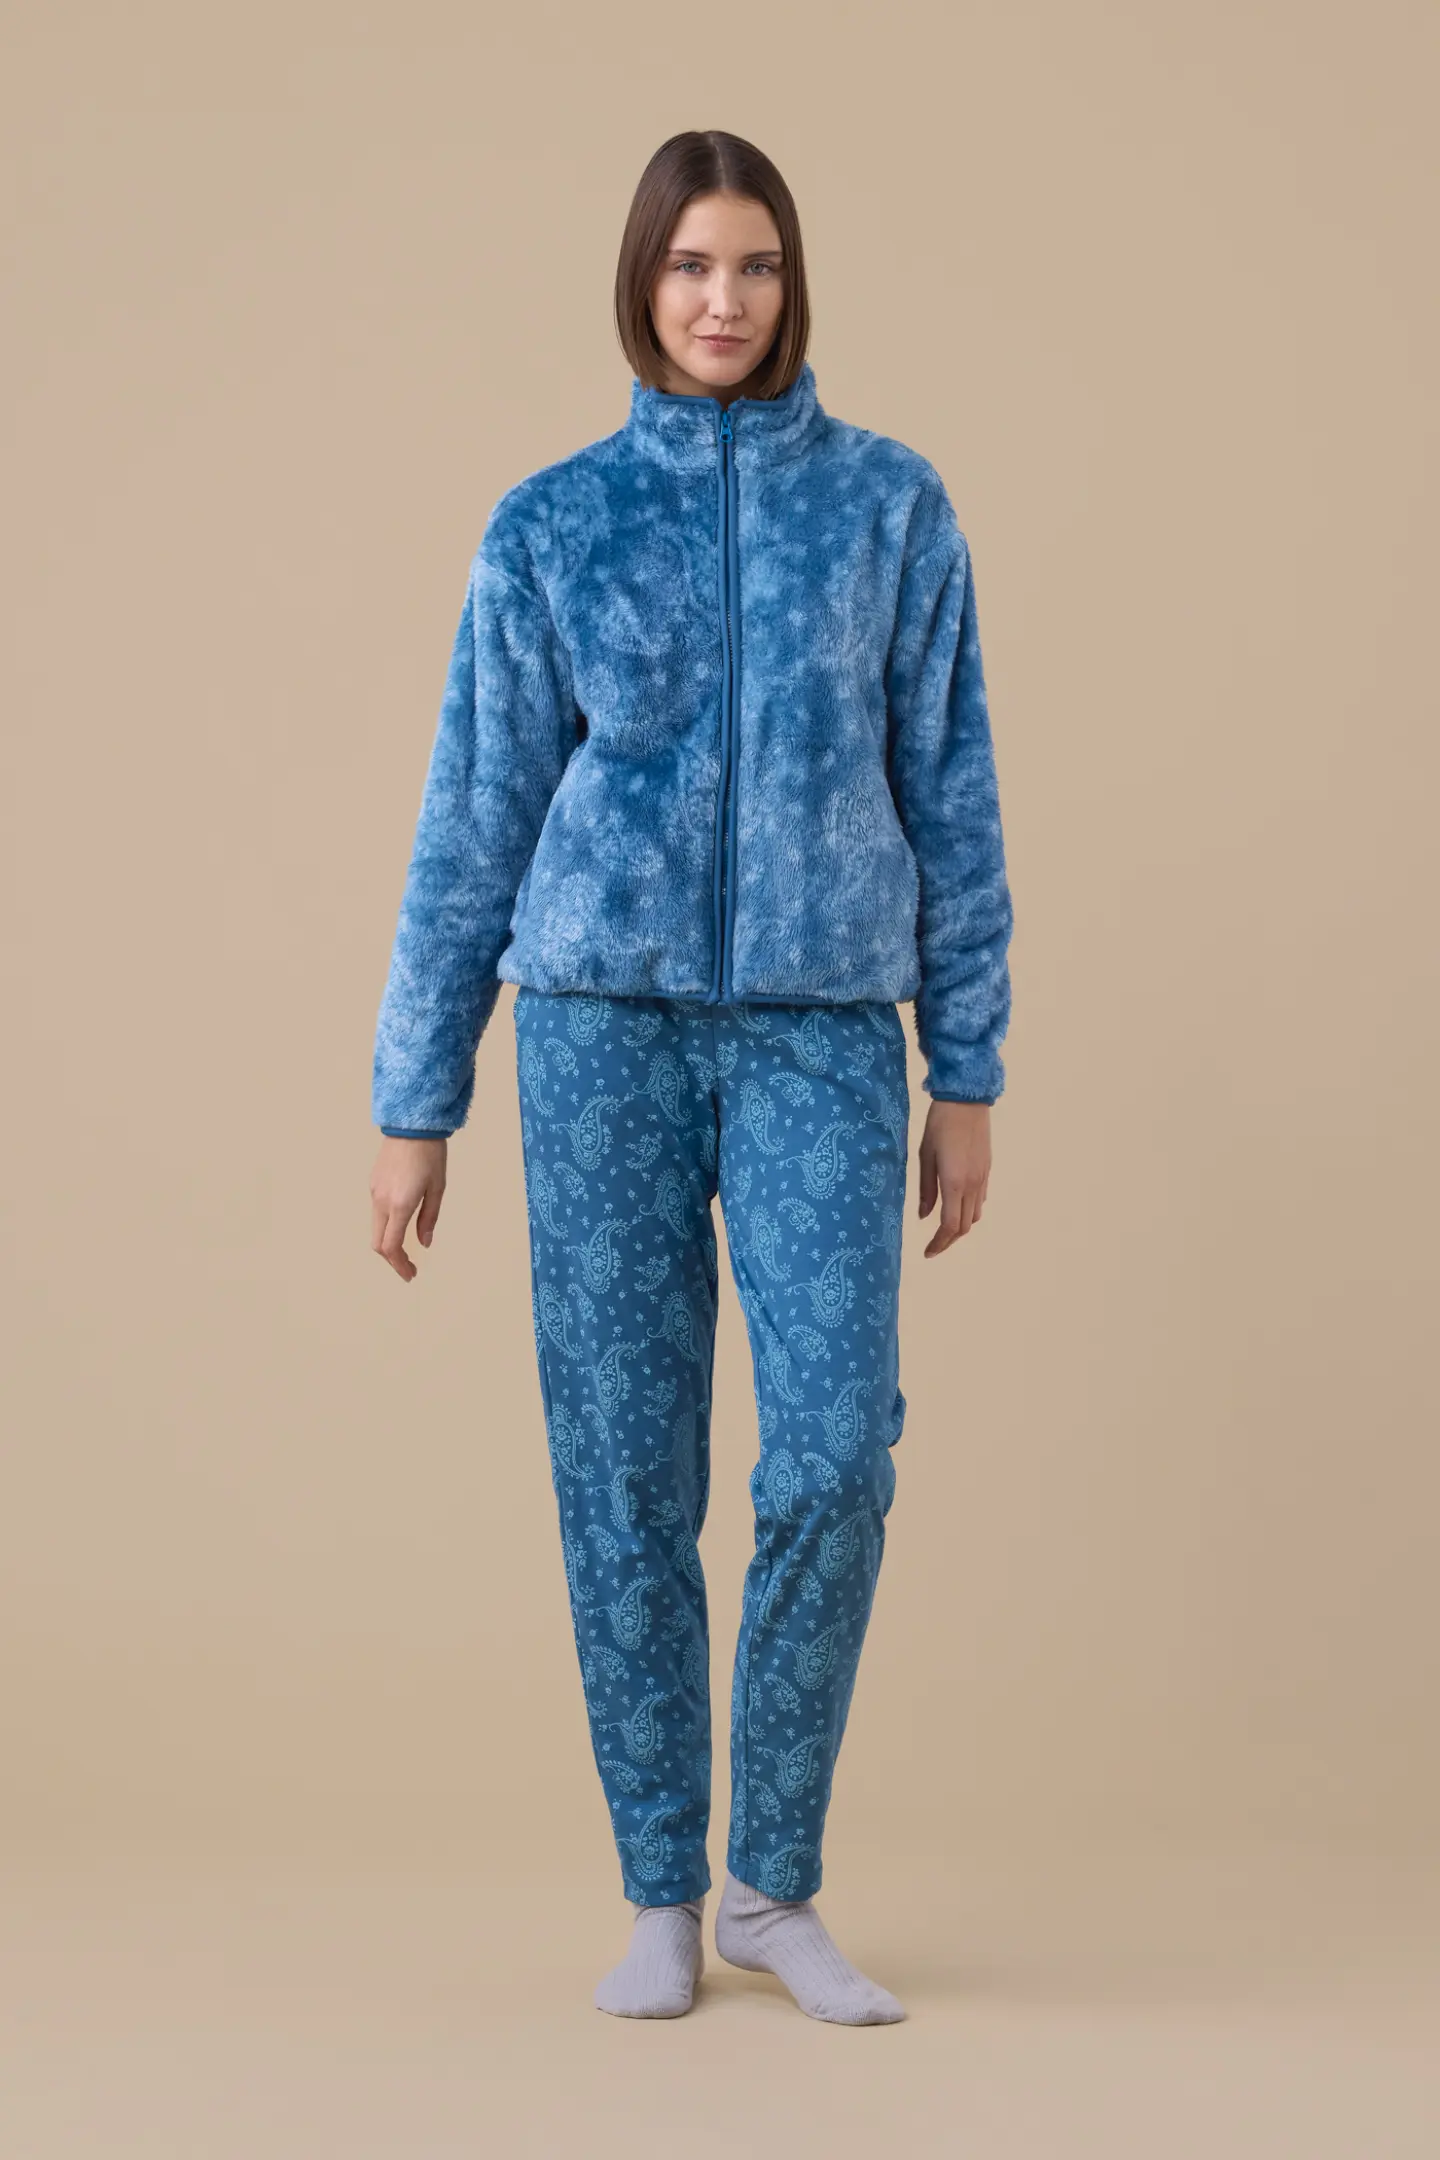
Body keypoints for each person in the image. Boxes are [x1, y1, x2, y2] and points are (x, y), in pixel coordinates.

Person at [368, 130, 1014, 2024]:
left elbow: (954, 797)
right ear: (641, 285)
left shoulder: (892, 509)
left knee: (832, 1455)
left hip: (824, 1034)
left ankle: (772, 1886)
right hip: (600, 1033)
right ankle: (661, 1882)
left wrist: (965, 1067)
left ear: (792, 282)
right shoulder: (552, 524)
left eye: (753, 265)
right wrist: (417, 1100)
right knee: (624, 1468)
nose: (721, 300)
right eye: (687, 267)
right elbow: (473, 816)